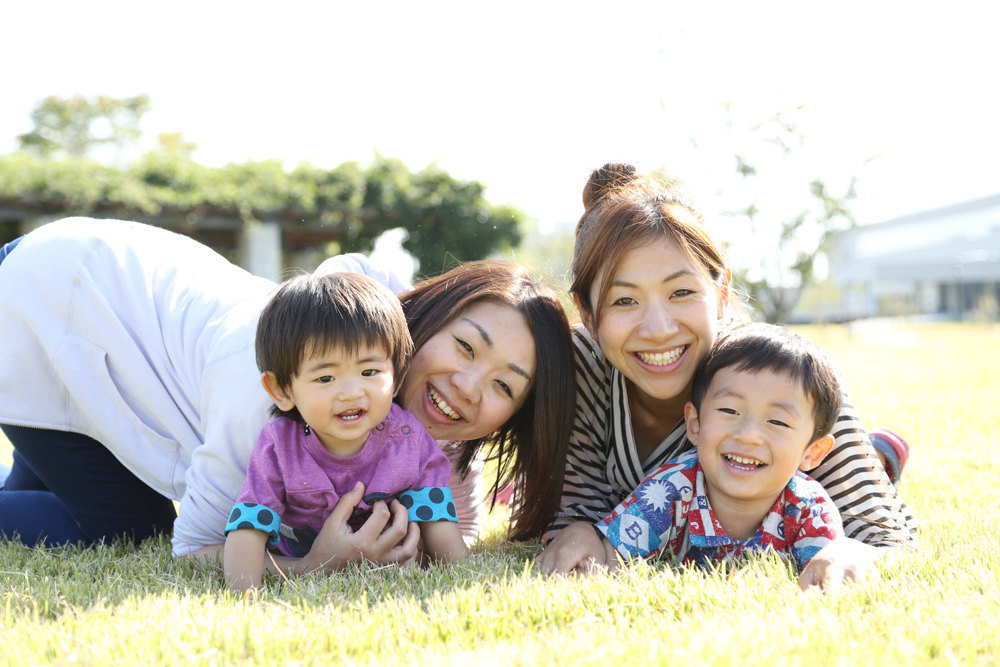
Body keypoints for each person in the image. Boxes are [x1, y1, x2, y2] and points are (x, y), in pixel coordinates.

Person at [0, 217, 575, 576]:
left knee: (57, 488)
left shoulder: (411, 411)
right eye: (466, 348)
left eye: (504, 385)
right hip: (52, 296)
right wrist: (310, 564)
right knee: (125, 526)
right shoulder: (281, 393)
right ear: (420, 323)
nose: (468, 388)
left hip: (106, 305)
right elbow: (199, 545)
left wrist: (414, 543)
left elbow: (455, 518)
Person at [536, 164, 918, 589]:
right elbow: (574, 514)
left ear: (720, 295)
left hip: (793, 475)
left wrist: (851, 549)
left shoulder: (777, 371)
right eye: (624, 300)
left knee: (846, 465)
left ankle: (878, 454)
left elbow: (880, 533)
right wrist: (579, 533)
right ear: (586, 312)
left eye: (681, 292)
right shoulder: (580, 365)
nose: (659, 328)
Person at [224, 272, 466, 590]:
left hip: (388, 567)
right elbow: (249, 524)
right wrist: (244, 598)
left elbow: (436, 515)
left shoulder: (409, 438)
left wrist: (464, 580)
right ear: (282, 389)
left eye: (369, 371)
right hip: (302, 559)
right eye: (326, 378)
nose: (351, 392)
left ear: (397, 376)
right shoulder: (279, 447)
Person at [592, 323, 844, 578]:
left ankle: (882, 450)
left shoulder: (810, 509)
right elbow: (607, 561)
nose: (747, 435)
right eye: (729, 410)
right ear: (695, 425)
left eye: (777, 421)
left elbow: (830, 578)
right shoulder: (669, 490)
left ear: (813, 452)